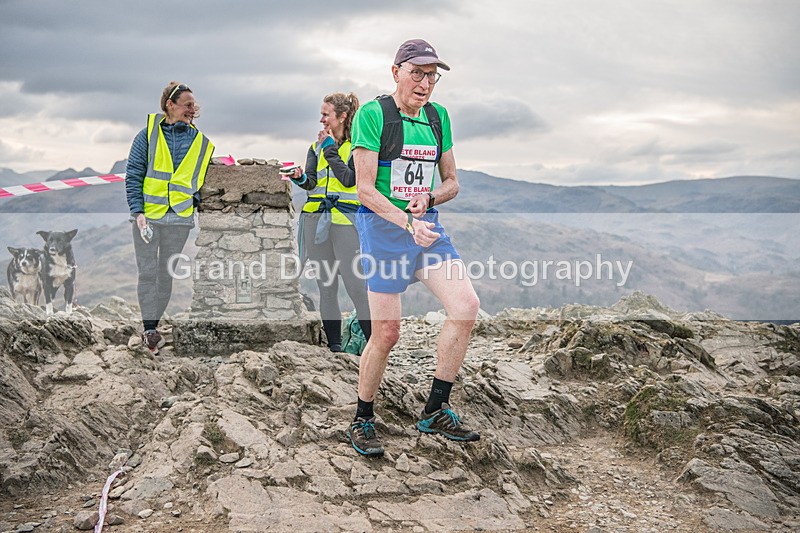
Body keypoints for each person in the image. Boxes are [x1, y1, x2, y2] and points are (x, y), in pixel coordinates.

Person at [346, 39, 481, 457]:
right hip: (383, 230)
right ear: (396, 72)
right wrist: (406, 221)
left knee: (466, 306)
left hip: (426, 228)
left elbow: (452, 182)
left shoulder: (438, 117)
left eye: (432, 77)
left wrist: (430, 198)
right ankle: (362, 418)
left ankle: (436, 410)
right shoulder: (374, 114)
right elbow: (364, 190)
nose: (425, 84)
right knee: (387, 334)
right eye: (417, 74)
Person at [125, 81, 214, 354]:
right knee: (147, 272)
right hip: (148, 219)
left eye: (194, 105)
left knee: (165, 275)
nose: (192, 110)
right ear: (170, 106)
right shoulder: (147, 135)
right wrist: (137, 212)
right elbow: (134, 175)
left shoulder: (202, 143)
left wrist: (193, 203)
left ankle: (152, 326)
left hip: (179, 220)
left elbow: (201, 181)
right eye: (187, 105)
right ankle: (149, 329)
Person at [285, 93, 372, 351]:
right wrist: (299, 177)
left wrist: (329, 148)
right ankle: (335, 348)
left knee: (357, 288)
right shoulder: (315, 148)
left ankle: (374, 348)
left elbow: (348, 179)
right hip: (315, 220)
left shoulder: (357, 147)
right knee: (326, 286)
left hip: (345, 222)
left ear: (342, 116)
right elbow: (311, 182)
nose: (321, 120)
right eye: (321, 114)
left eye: (326, 114)